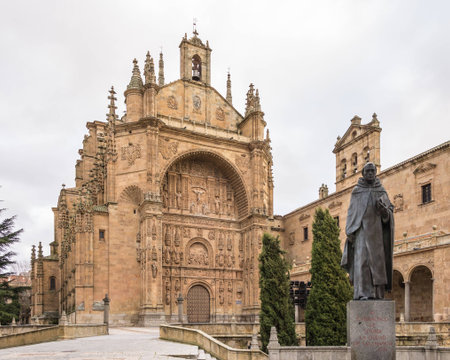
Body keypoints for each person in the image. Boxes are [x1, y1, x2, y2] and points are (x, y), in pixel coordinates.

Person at [341, 162, 394, 300]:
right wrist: (350, 231)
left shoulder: (381, 190)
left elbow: (389, 213)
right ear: (363, 173)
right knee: (362, 262)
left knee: (377, 263)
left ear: (375, 173)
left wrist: (384, 212)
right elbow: (351, 212)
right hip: (361, 231)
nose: (370, 173)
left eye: (372, 171)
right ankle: (362, 293)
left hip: (377, 232)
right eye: (367, 171)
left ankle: (377, 294)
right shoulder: (357, 191)